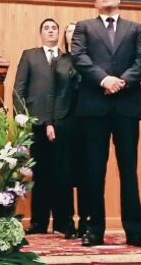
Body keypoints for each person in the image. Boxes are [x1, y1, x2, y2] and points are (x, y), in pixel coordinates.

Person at [71, 0, 141, 248]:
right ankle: (94, 230)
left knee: (129, 171)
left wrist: (122, 82)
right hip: (94, 107)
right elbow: (79, 57)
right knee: (94, 171)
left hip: (126, 106)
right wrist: (104, 79)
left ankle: (134, 232)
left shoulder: (135, 28)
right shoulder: (84, 27)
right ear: (95, 2)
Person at [12, 18, 75, 237]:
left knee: (62, 173)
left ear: (59, 33)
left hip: (62, 122)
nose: (50, 31)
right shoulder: (30, 55)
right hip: (36, 122)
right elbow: (18, 89)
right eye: (46, 28)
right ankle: (39, 222)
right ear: (41, 33)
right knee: (40, 173)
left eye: (54, 28)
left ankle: (62, 222)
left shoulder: (67, 59)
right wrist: (21, 116)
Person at [51, 21, 84, 239]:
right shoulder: (58, 61)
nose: (72, 34)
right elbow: (51, 92)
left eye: (76, 30)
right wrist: (50, 121)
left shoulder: (89, 59)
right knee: (63, 173)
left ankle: (86, 221)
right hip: (63, 120)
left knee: (86, 173)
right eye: (69, 31)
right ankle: (66, 223)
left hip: (86, 120)